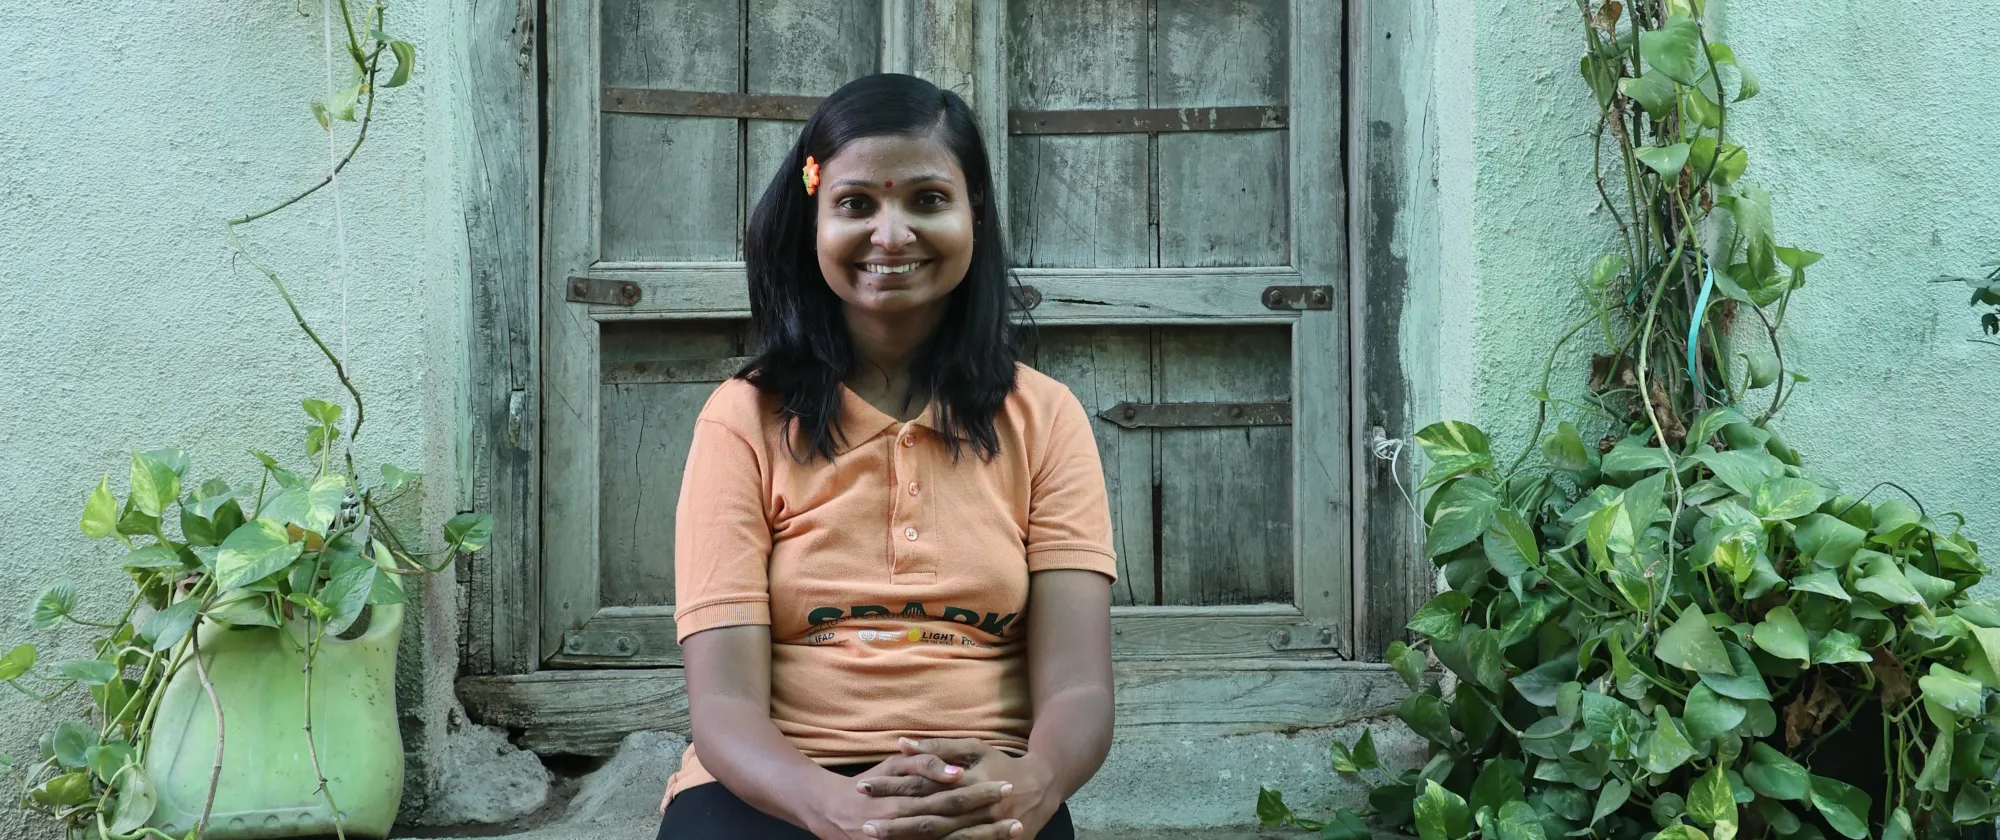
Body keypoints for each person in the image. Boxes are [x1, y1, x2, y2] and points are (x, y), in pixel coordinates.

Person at [654, 73, 1118, 840]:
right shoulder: (743, 418)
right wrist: (835, 807)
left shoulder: (1045, 418)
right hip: (775, 784)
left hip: (977, 789)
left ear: (976, 212)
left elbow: (1078, 689)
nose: (891, 234)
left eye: (928, 200)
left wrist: (1036, 782)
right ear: (813, 220)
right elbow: (725, 708)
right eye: (856, 204)